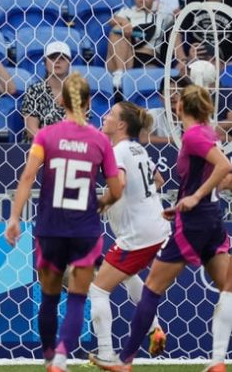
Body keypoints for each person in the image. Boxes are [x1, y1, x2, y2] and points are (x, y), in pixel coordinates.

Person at [90, 85, 232, 372]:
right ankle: (217, 360)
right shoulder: (205, 135)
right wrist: (177, 202)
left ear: (179, 108)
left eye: (176, 100)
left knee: (131, 290)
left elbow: (222, 167)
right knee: (227, 287)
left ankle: (118, 358)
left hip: (176, 226)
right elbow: (161, 180)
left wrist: (98, 204)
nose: (172, 103)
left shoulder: (190, 136)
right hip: (200, 218)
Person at [6, 72, 123, 372]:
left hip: (50, 228)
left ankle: (48, 358)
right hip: (85, 229)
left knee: (48, 298)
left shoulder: (46, 136)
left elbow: (28, 177)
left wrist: (15, 217)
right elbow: (117, 189)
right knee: (77, 298)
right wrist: (102, 203)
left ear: (60, 100)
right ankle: (60, 358)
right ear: (88, 102)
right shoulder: (100, 141)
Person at [88, 102, 171, 367]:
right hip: (155, 227)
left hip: (138, 235)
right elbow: (158, 181)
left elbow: (120, 185)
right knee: (127, 275)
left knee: (98, 289)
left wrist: (100, 205)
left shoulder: (119, 151)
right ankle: (154, 328)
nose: (105, 116)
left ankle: (106, 353)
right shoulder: (138, 149)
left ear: (121, 125)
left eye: (110, 114)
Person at [106, 0, 173, 76]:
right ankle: (120, 74)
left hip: (149, 58)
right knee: (116, 29)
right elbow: (111, 20)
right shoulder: (127, 12)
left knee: (149, 74)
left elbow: (178, 20)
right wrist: (124, 22)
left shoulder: (162, 15)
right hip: (127, 56)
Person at [177, 0, 232, 64]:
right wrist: (183, 60)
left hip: (228, 61)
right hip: (197, 58)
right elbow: (176, 33)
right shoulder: (193, 0)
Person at [21, 41, 70, 141]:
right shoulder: (34, 91)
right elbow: (31, 130)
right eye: (52, 58)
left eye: (62, 58)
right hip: (39, 148)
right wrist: (57, 143)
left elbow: (82, 129)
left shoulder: (77, 92)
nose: (57, 61)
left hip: (69, 148)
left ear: (69, 63)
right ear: (45, 62)